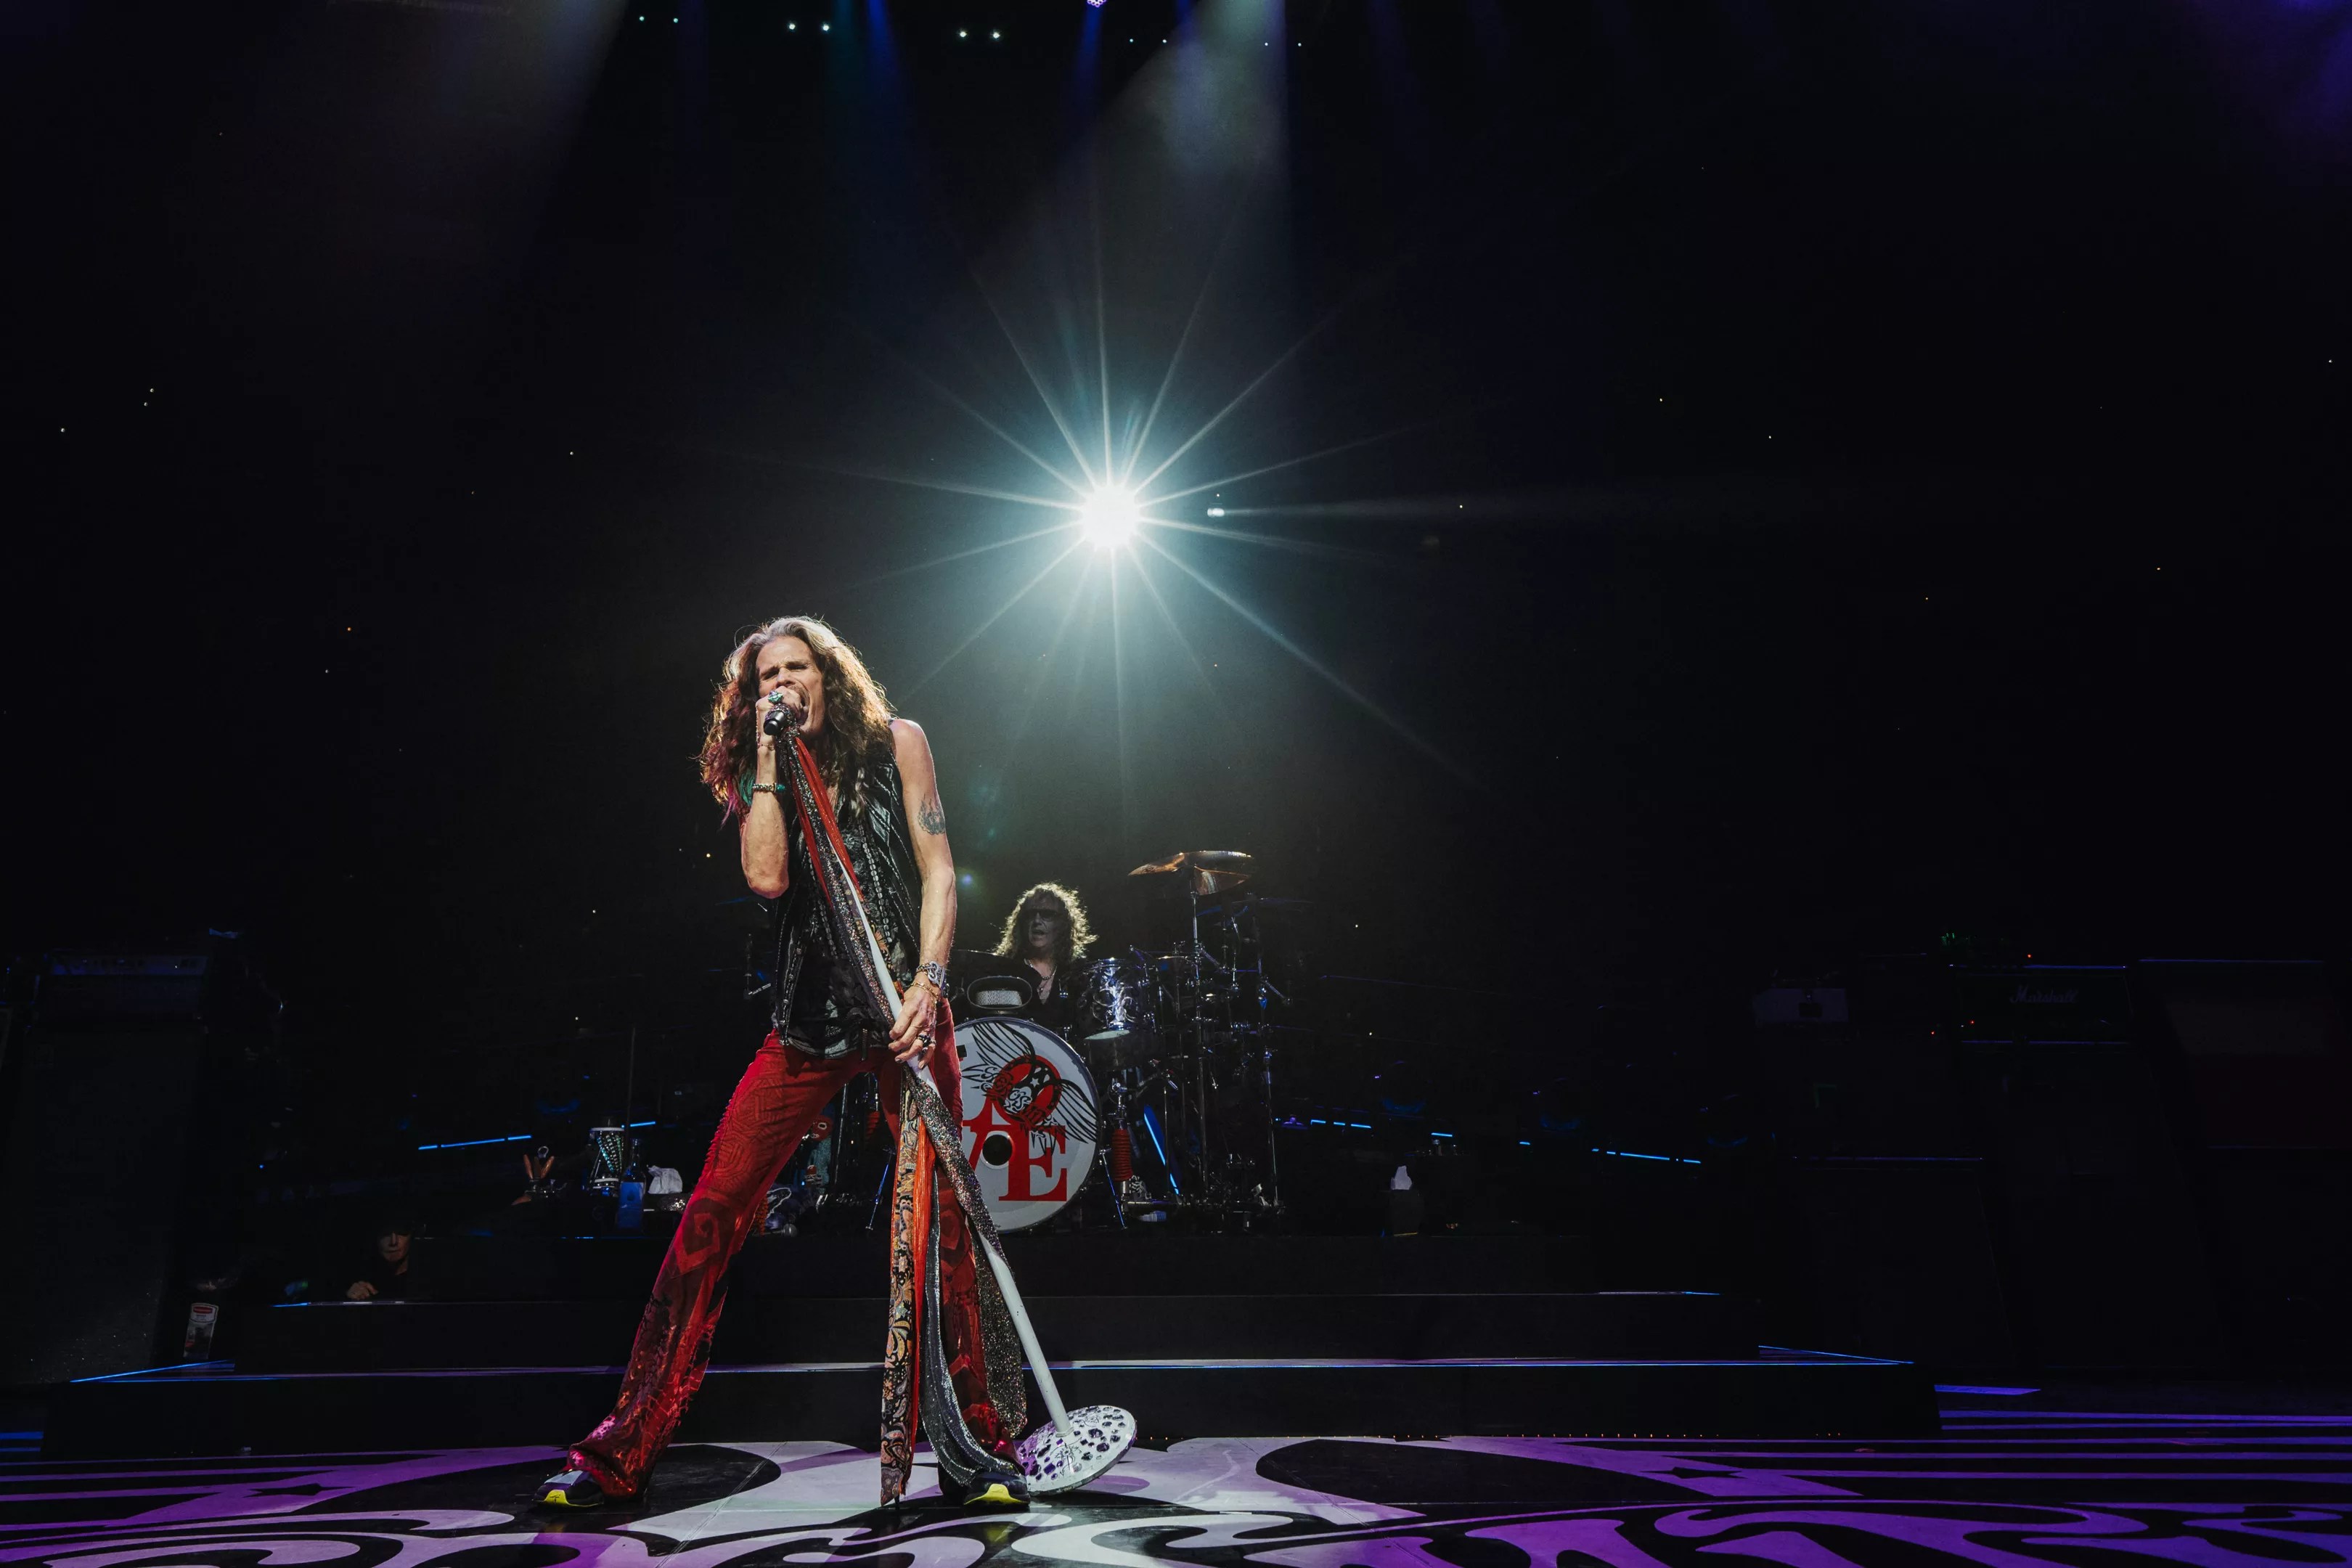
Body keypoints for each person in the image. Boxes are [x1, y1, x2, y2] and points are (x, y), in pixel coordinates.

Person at [537, 616, 1030, 1511]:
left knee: (943, 1227)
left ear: (829, 675)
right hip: (809, 1020)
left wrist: (930, 981)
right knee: (714, 1207)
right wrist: (768, 763)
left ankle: (980, 1450)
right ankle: (617, 1451)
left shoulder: (898, 742)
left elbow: (938, 866)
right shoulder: (764, 772)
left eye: (799, 669)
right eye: (768, 675)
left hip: (906, 1013)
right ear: (750, 691)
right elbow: (766, 880)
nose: (785, 684)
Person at [992, 883, 1095, 1029]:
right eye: (1030, 915)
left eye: (1047, 915)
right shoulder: (1005, 969)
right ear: (1022, 923)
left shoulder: (1077, 973)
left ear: (1062, 924)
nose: (1037, 921)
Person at [346, 1221, 417, 1301]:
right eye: (386, 1233)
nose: (393, 1242)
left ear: (412, 1235)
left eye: (401, 1233)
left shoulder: (426, 1280)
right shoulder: (359, 1276)